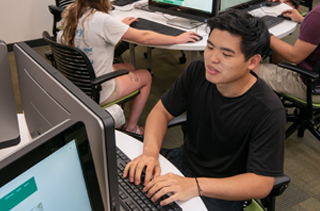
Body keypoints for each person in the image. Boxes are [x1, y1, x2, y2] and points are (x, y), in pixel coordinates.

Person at [123, 9, 286, 210]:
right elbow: (161, 112)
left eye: (226, 54)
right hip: (182, 163)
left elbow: (262, 183)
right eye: (210, 47)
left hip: (221, 190)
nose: (213, 59)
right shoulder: (198, 70)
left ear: (252, 62)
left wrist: (196, 186)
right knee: (125, 184)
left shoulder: (268, 110)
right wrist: (149, 153)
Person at [57, 0, 200, 135]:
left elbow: (97, 34)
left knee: (130, 67)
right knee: (146, 76)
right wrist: (176, 38)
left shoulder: (71, 12)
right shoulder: (102, 20)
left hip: (77, 81)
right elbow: (145, 37)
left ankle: (119, 119)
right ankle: (131, 128)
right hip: (98, 89)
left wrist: (118, 26)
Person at [254, 3, 320, 103]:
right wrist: (304, 20)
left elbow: (294, 56)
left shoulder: (317, 16)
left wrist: (263, 32)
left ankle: (269, 110)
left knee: (250, 66)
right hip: (315, 72)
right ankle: (275, 94)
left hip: (311, 87)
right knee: (278, 52)